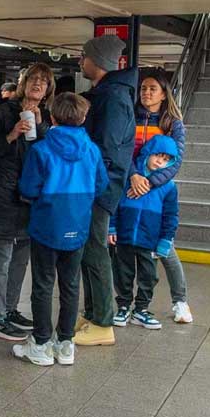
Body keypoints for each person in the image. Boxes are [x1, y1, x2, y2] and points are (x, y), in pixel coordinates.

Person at [15, 93, 106, 366]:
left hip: (46, 226)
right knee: (71, 284)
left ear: (52, 117)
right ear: (83, 117)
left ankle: (41, 344)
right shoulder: (92, 150)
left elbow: (28, 188)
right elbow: (101, 185)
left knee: (43, 285)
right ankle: (66, 344)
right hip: (78, 226)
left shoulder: (41, 150)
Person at [0, 63, 54, 340]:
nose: (38, 84)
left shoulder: (46, 117)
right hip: (3, 194)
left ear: (48, 89)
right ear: (23, 83)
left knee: (21, 256)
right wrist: (12, 134)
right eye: (33, 79)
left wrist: (41, 126)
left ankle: (9, 309)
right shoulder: (4, 112)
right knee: (1, 256)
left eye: (44, 81)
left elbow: (48, 153)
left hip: (30, 196)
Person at [77, 35, 137, 347]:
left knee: (96, 250)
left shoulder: (113, 97)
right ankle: (92, 314)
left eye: (84, 56)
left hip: (99, 186)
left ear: (97, 60)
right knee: (89, 250)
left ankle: (103, 321)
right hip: (98, 184)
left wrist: (90, 182)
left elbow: (108, 149)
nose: (80, 61)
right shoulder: (109, 93)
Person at [127, 75, 192, 323]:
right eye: (143, 88)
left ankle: (180, 302)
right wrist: (134, 176)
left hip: (156, 189)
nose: (147, 92)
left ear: (164, 94)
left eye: (153, 89)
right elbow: (122, 150)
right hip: (130, 184)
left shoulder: (173, 124)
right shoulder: (129, 117)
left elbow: (175, 160)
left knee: (165, 248)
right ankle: (124, 304)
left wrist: (150, 183)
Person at [110, 135, 181, 330]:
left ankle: (141, 310)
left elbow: (171, 216)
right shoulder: (129, 179)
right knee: (122, 274)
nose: (160, 161)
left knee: (148, 276)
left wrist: (165, 240)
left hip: (150, 241)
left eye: (166, 159)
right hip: (124, 237)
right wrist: (112, 227)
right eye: (158, 155)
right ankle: (123, 307)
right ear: (148, 152)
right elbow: (114, 205)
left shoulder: (168, 187)